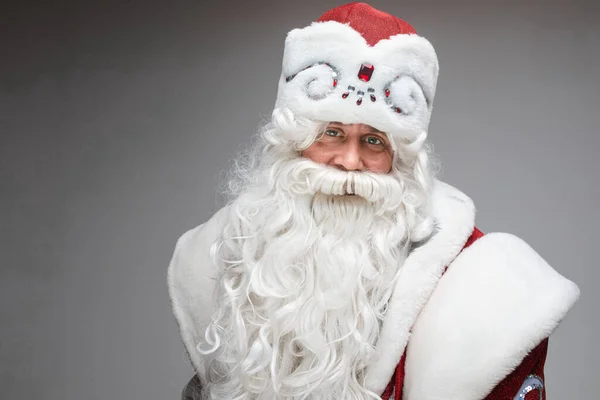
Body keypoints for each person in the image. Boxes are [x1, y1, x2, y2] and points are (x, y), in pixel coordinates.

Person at [168, 3, 580, 399]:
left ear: (401, 160)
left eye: (373, 141)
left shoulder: (483, 286)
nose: (349, 162)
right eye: (331, 132)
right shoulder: (224, 254)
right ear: (293, 142)